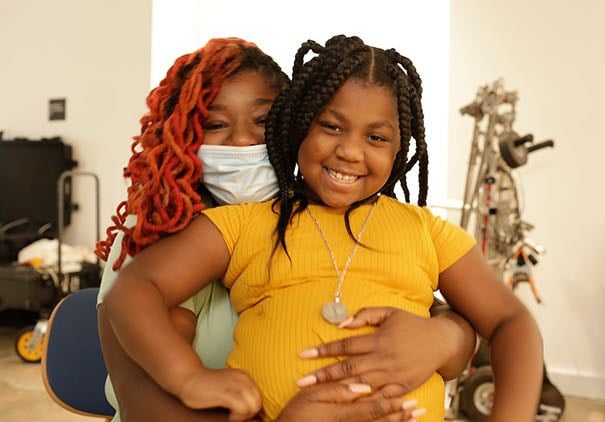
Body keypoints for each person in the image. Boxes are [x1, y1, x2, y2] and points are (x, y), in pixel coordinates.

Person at [97, 37, 476, 422]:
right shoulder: (154, 234)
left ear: (294, 124)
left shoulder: (313, 219)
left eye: (262, 121)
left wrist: (447, 336)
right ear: (181, 135)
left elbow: (415, 307)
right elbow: (142, 402)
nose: (242, 140)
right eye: (215, 124)